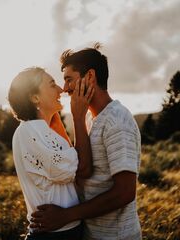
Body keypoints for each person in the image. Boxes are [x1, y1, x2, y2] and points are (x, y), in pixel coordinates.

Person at [31, 44, 142, 239]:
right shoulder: (89, 118)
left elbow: (125, 192)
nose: (65, 89)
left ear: (90, 76)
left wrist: (66, 216)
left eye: (69, 79)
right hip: (91, 234)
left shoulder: (117, 120)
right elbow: (81, 168)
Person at [8, 67, 94, 240]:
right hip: (52, 235)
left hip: (67, 231)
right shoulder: (28, 131)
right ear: (35, 98)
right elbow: (72, 170)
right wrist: (78, 117)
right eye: (52, 84)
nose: (61, 90)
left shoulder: (46, 132)